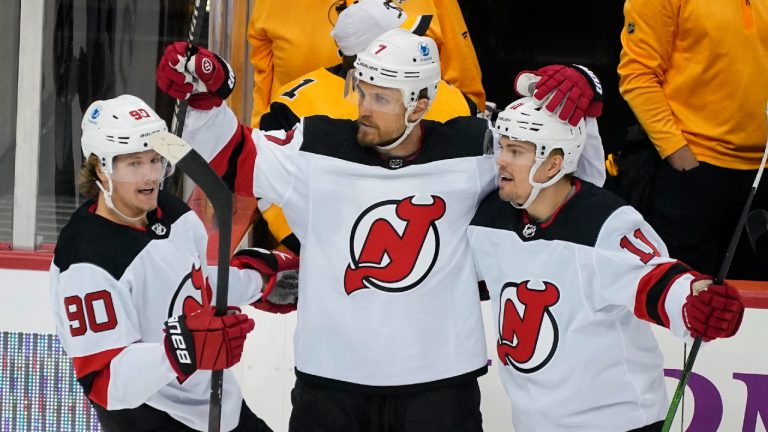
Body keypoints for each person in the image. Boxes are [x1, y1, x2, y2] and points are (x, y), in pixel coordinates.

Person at [157, 29, 603, 430]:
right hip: (330, 388)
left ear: (420, 105)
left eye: (382, 99)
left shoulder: (475, 150)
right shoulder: (313, 148)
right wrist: (203, 98)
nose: (363, 109)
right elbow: (227, 159)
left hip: (440, 389)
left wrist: (584, 104)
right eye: (362, 92)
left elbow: (569, 180)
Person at [467, 97, 745, 432]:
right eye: (502, 147)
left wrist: (695, 299)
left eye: (516, 152)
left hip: (618, 423)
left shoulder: (604, 223)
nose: (500, 161)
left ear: (553, 164)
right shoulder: (489, 219)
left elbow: (656, 279)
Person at [49, 95, 273, 432]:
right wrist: (182, 350)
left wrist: (259, 281)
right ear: (100, 168)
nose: (150, 176)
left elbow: (193, 284)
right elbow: (105, 381)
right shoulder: (86, 260)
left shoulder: (172, 212)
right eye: (134, 163)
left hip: (217, 406)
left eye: (155, 160)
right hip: (151, 419)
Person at [258, 0, 479, 254]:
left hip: (428, 243)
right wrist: (307, 242)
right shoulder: (295, 106)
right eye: (398, 35)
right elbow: (269, 187)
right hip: (328, 253)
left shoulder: (451, 98)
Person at [618, 0, 768, 280]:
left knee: (756, 306)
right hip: (694, 172)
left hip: (761, 172)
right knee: (682, 299)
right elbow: (637, 75)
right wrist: (679, 155)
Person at [247, 0, 485, 127]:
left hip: (412, 170)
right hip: (304, 166)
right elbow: (262, 87)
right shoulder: (272, 4)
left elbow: (467, 95)